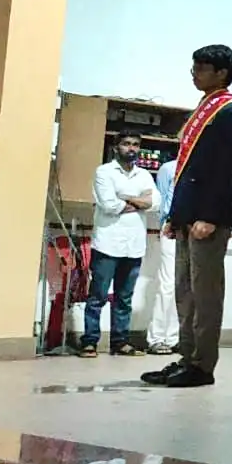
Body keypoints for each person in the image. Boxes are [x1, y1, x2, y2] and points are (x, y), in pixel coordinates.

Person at [142, 44, 232, 389]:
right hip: (189, 214)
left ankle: (203, 365)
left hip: (209, 217)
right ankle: (186, 356)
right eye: (194, 67)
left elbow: (223, 169)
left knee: (205, 294)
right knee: (185, 291)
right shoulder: (202, 109)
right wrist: (177, 214)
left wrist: (208, 215)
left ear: (222, 73)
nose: (195, 73)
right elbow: (187, 169)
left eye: (202, 67)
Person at [83, 131, 158, 358]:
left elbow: (155, 203)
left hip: (134, 245)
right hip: (107, 243)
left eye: (135, 145)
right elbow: (108, 204)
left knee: (124, 299)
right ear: (117, 147)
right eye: (126, 144)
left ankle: (120, 342)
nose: (131, 149)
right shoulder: (104, 172)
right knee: (98, 296)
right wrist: (139, 201)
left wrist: (125, 197)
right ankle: (90, 342)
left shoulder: (144, 174)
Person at [146, 158, 180, 355]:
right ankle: (157, 338)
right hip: (171, 229)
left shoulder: (203, 164)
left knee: (183, 286)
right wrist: (166, 225)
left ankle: (173, 338)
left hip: (194, 231)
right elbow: (162, 201)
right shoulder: (168, 168)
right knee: (167, 286)